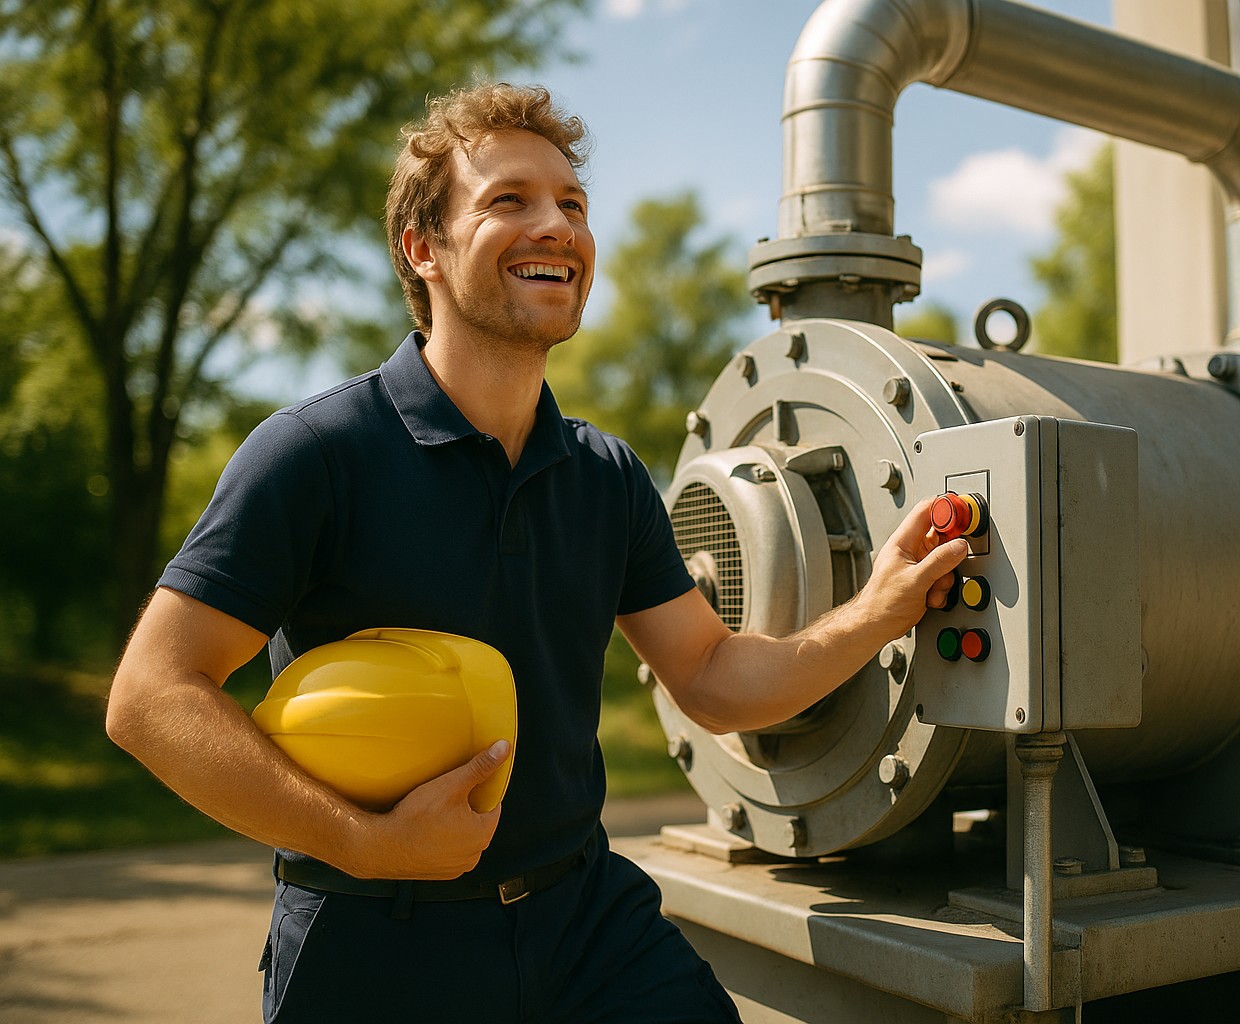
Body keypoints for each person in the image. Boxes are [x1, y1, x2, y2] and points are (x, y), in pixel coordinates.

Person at [106, 82, 969, 1023]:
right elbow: (152, 696)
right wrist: (365, 844)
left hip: (585, 923)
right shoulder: (316, 453)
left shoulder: (607, 475)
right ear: (423, 249)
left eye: (572, 204)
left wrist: (879, 610)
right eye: (508, 200)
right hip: (376, 936)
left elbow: (713, 677)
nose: (556, 226)